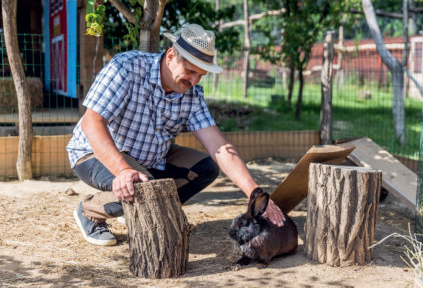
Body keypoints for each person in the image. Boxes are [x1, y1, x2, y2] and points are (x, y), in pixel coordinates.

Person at [66, 24, 285, 246]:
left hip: (149, 159)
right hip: (93, 153)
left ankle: (141, 208)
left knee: (206, 168)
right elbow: (92, 123)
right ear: (171, 55)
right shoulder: (126, 68)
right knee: (147, 191)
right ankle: (90, 211)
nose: (194, 81)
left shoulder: (192, 95)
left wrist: (254, 192)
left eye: (201, 75)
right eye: (191, 71)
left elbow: (219, 147)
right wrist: (122, 169)